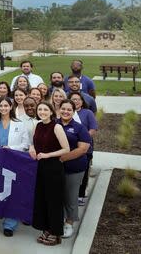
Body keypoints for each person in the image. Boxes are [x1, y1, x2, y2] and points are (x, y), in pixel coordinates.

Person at [0, 97, 30, 236]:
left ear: (11, 107)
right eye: (0, 106)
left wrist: (11, 148)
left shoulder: (19, 124)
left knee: (12, 194)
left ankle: (9, 225)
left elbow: (25, 144)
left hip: (13, 163)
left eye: (5, 105)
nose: (3, 108)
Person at [30, 101, 71, 246]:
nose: (42, 112)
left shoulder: (57, 127)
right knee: (42, 199)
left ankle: (56, 232)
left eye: (45, 109)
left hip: (53, 168)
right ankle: (47, 228)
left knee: (54, 201)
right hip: (40, 168)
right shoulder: (37, 125)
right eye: (40, 109)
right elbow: (33, 142)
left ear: (52, 112)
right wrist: (31, 148)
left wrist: (48, 155)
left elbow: (66, 149)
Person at [57, 100, 92, 239]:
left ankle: (69, 223)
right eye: (63, 109)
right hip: (54, 168)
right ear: (59, 109)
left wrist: (62, 158)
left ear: (73, 111)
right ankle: (58, 220)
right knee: (57, 195)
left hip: (74, 168)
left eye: (69, 109)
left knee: (70, 196)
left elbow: (83, 148)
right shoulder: (54, 124)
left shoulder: (79, 128)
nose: (66, 112)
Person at [69, 91, 97, 204]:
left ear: (82, 101)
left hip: (85, 148)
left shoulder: (87, 113)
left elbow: (93, 129)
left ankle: (80, 195)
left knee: (83, 172)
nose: (75, 101)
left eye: (78, 99)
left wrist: (82, 140)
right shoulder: (66, 112)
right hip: (69, 149)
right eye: (73, 99)